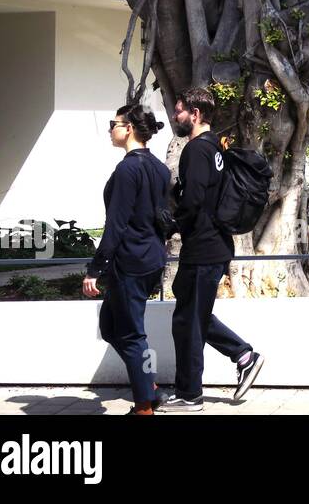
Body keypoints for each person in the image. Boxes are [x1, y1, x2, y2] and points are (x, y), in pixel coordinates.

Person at [157, 87, 265, 412]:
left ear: (196, 114)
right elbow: (202, 194)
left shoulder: (196, 150)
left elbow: (194, 200)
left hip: (204, 247)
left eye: (179, 111)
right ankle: (243, 356)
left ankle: (191, 395)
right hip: (212, 245)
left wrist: (172, 225)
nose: (175, 116)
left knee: (189, 319)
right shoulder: (216, 146)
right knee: (190, 316)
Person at [83, 105, 171, 416]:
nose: (110, 129)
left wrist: (95, 269)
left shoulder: (127, 170)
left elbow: (116, 224)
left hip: (131, 262)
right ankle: (149, 386)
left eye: (114, 124)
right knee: (110, 326)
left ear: (129, 128)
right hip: (150, 258)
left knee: (132, 335)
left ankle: (144, 406)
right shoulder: (159, 168)